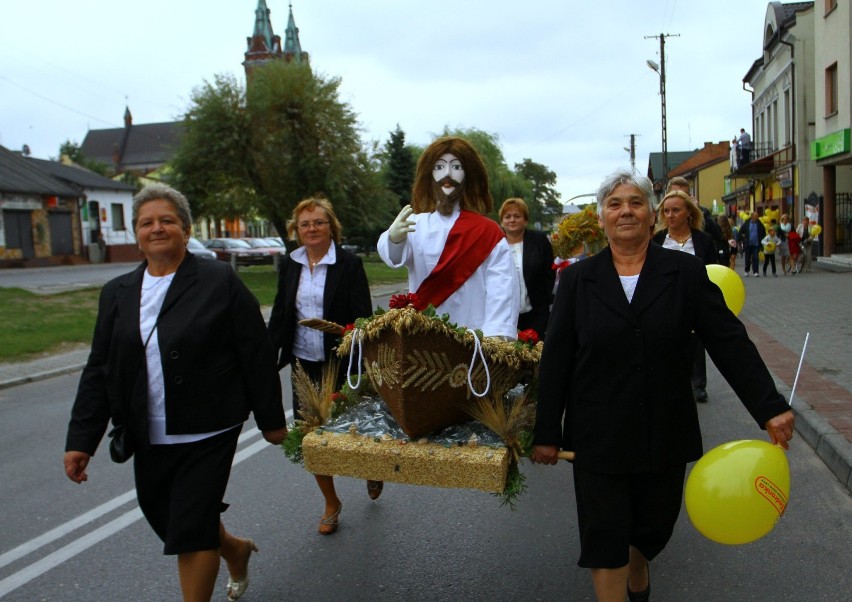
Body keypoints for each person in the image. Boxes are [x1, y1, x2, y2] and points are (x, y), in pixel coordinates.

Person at [531, 169, 794, 602]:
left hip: (665, 428)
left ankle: (640, 562)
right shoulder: (578, 280)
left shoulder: (685, 273)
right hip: (599, 432)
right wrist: (546, 433)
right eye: (614, 204)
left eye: (635, 202)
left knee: (653, 525)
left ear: (652, 217)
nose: (625, 211)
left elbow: (728, 342)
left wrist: (769, 406)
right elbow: (557, 359)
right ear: (601, 220)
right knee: (604, 533)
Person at [64, 183, 287, 602]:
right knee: (167, 518)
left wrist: (272, 419)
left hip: (209, 427)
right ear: (136, 235)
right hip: (147, 431)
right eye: (147, 222)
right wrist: (81, 440)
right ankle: (234, 549)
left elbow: (254, 351)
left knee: (190, 529)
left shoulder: (218, 279)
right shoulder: (117, 293)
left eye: (167, 220)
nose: (157, 228)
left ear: (186, 229)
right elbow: (100, 369)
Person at [267, 196, 377, 535]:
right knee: (311, 437)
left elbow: (363, 317)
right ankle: (331, 502)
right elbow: (281, 313)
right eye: (305, 224)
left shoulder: (348, 264)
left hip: (340, 362)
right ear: (296, 231)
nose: (312, 228)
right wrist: (266, 359)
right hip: (304, 364)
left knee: (352, 431)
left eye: (318, 222)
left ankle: (372, 465)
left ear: (331, 227)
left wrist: (363, 360)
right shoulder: (290, 264)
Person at [377, 136, 519, 338]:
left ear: (468, 175)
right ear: (429, 175)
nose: (448, 174)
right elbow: (392, 257)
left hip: (474, 340)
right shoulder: (415, 224)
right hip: (422, 337)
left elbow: (503, 291)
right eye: (439, 167)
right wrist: (394, 238)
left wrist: (495, 338)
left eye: (456, 167)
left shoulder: (488, 232)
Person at [652, 189, 717, 403]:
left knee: (697, 343)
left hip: (694, 298)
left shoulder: (704, 241)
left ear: (688, 212)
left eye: (676, 210)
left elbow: (714, 271)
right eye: (666, 211)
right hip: (665, 299)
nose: (670, 215)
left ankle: (699, 384)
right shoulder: (657, 240)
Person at [498, 197, 555, 338]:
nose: (512, 220)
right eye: (508, 217)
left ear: (526, 220)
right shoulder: (496, 245)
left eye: (517, 216)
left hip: (537, 314)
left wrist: (545, 300)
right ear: (502, 222)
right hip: (506, 317)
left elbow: (550, 272)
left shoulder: (539, 240)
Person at [665, 177, 725, 265]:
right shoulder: (658, 237)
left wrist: (697, 211)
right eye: (675, 194)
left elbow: (717, 235)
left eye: (684, 195)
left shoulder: (703, 216)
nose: (679, 198)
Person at [738, 211, 766, 277]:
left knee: (755, 258)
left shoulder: (759, 224)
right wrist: (743, 239)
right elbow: (740, 232)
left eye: (757, 216)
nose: (757, 217)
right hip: (748, 244)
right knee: (747, 257)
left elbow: (763, 232)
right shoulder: (746, 223)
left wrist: (761, 239)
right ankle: (746, 270)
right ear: (752, 216)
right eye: (756, 216)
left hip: (756, 244)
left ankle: (755, 271)